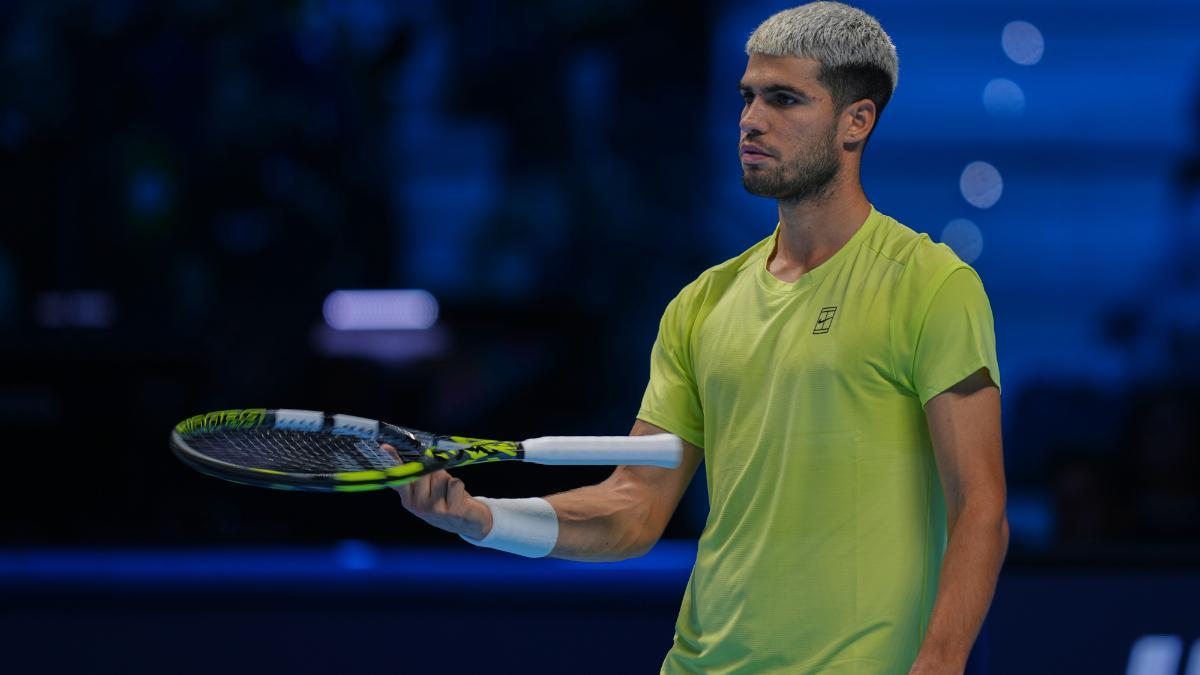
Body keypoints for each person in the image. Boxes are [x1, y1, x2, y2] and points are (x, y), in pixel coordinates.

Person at [394, 3, 1008, 673]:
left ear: (855, 122)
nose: (751, 120)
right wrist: (482, 517)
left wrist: (939, 664)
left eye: (783, 100)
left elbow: (980, 508)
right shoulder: (701, 305)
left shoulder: (931, 285)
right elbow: (632, 508)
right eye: (747, 97)